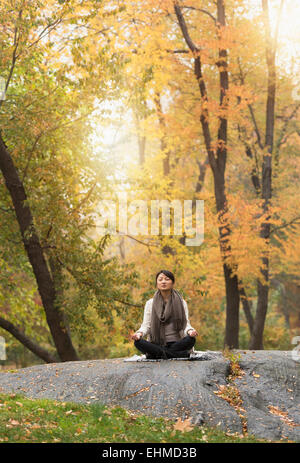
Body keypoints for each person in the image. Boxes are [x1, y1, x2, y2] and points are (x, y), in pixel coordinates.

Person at [131, 270, 198, 359]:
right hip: (157, 344)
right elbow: (146, 326)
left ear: (172, 283)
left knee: (191, 340)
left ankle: (157, 354)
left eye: (167, 279)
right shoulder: (150, 303)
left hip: (176, 343)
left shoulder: (181, 302)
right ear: (157, 283)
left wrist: (190, 331)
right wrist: (139, 334)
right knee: (138, 342)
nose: (163, 282)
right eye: (160, 279)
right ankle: (177, 355)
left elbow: (185, 324)